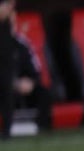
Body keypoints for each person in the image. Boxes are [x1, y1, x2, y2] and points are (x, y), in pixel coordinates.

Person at [0, 0, 51, 139]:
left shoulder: (21, 44)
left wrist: (31, 82)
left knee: (44, 92)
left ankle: (40, 128)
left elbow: (35, 67)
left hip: (20, 86)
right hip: (5, 85)